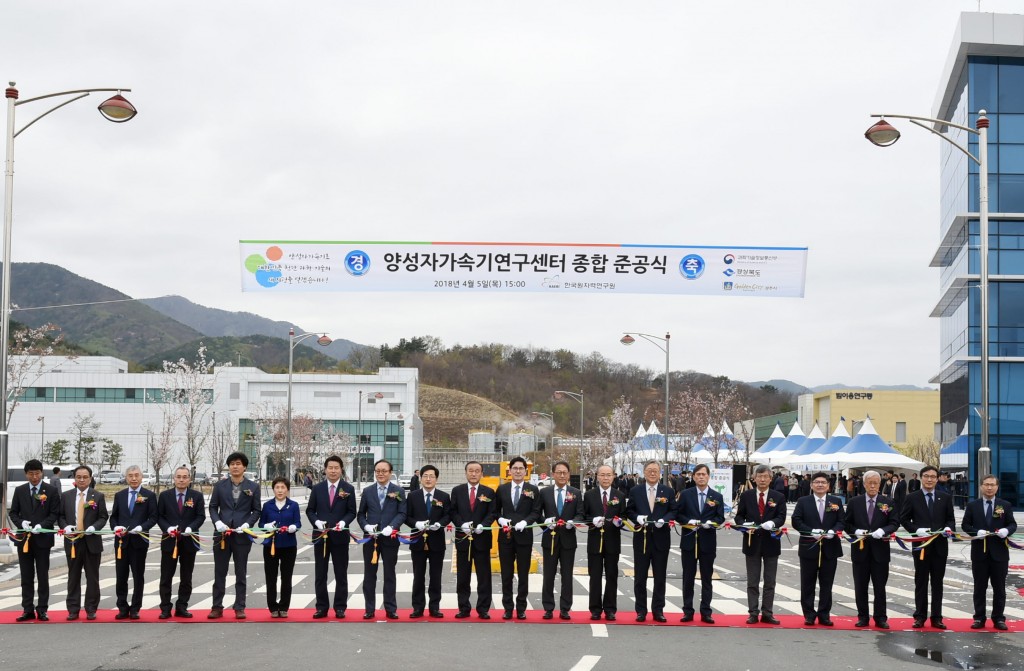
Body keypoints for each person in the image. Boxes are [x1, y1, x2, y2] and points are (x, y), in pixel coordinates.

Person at [900, 464, 956, 629]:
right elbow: (904, 519)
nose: (930, 479)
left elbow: (950, 519)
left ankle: (937, 617)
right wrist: (916, 530)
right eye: (927, 476)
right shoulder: (912, 497)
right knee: (921, 581)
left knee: (937, 582)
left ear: (937, 478)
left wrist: (948, 528)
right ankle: (919, 616)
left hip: (939, 546)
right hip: (921, 545)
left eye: (933, 476)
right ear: (921, 478)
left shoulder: (944, 497)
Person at [208, 452, 261, 619]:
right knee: (219, 572)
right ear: (229, 467)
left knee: (240, 572)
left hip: (241, 536)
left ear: (244, 467)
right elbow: (212, 507)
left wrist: (247, 524)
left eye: (238, 463)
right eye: (232, 464)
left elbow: (257, 510)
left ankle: (240, 606)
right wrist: (218, 522)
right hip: (222, 535)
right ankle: (217, 606)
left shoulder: (253, 487)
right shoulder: (220, 486)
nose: (235, 466)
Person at [961, 474, 1018, 630]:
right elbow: (965, 525)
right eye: (986, 484)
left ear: (997, 487)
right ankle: (979, 618)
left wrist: (1007, 530)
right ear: (981, 486)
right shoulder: (973, 505)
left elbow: (1012, 524)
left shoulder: (1004, 505)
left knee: (999, 588)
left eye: (992, 485)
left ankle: (999, 618)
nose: (989, 487)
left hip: (999, 554)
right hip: (979, 553)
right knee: (979, 587)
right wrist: (975, 532)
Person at [844, 470, 899, 628]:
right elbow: (847, 523)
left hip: (880, 551)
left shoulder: (887, 502)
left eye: (876, 483)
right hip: (860, 551)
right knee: (860, 586)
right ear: (864, 484)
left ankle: (881, 617)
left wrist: (884, 530)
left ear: (880, 484)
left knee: (879, 586)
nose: (873, 486)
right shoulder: (855, 502)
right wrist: (856, 531)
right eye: (870, 483)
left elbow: (894, 522)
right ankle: (863, 616)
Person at [734, 463, 787, 624]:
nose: (762, 479)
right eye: (759, 476)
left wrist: (773, 523)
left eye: (765, 477)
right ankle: (753, 612)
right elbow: (739, 516)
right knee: (753, 581)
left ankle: (767, 612)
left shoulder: (778, 497)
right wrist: (745, 525)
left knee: (770, 581)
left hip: (771, 543)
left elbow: (781, 516)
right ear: (754, 478)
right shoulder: (747, 496)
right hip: (752, 542)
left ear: (771, 479)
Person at [306, 454, 357, 619]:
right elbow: (310, 510)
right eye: (330, 468)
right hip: (321, 536)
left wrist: (343, 523)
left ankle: (340, 607)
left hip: (340, 537)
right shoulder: (317, 488)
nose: (333, 471)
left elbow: (351, 512)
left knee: (341, 573)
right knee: (320, 573)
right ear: (325, 469)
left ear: (341, 470)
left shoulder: (348, 489)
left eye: (336, 468)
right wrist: (316, 522)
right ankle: (321, 607)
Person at [9, 458, 61, 621]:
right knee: (26, 575)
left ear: (42, 473)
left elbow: (54, 514)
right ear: (26, 475)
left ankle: (43, 609)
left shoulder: (50, 491)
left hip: (43, 539)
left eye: (37, 473)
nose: (34, 477)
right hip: (24, 539)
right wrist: (21, 523)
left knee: (43, 575)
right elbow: (13, 513)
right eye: (31, 474)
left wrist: (42, 525)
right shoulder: (20, 490)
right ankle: (27, 609)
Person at [625, 460, 677, 622]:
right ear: (644, 472)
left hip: (661, 539)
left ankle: (658, 609)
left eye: (655, 470)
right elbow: (629, 511)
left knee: (660, 576)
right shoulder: (636, 490)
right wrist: (637, 518)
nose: (652, 473)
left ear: (660, 472)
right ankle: (641, 610)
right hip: (642, 538)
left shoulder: (667, 491)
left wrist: (665, 519)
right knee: (640, 577)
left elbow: (674, 510)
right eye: (649, 470)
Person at [791, 471, 845, 626]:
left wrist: (833, 531)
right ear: (811, 485)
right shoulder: (803, 501)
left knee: (827, 583)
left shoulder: (835, 501)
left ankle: (824, 614)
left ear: (828, 485)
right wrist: (810, 531)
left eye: (823, 482)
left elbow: (842, 520)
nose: (820, 485)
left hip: (830, 547)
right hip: (809, 546)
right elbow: (796, 520)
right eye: (817, 482)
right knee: (807, 583)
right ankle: (809, 614)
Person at [357, 458, 407, 619]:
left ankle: (390, 608)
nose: (381, 474)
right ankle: (369, 609)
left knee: (390, 574)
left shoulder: (398, 491)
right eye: (378, 471)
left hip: (390, 538)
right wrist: (366, 526)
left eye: (384, 471)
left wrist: (392, 527)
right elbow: (360, 514)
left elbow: (402, 513)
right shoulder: (368, 491)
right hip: (371, 539)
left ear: (390, 473)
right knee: (369, 574)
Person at [58, 465, 109, 621]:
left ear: (90, 478)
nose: (81, 480)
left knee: (92, 577)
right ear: (74, 478)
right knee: (73, 577)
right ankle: (73, 609)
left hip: (91, 542)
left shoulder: (98, 496)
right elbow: (60, 516)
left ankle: (91, 608)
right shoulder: (66, 496)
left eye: (85, 477)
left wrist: (94, 527)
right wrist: (65, 526)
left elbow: (103, 517)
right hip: (73, 542)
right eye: (78, 477)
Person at [494, 455, 542, 620]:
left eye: (521, 468)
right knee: (506, 574)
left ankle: (521, 608)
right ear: (510, 470)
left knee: (523, 574)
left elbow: (536, 511)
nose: (518, 471)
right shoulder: (502, 489)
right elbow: (495, 510)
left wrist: (525, 521)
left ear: (526, 471)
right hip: (505, 537)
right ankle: (508, 608)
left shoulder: (532, 489)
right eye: (515, 468)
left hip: (524, 537)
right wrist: (500, 520)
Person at [677, 463, 726, 624]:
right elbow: (678, 514)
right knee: (688, 578)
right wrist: (688, 521)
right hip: (689, 541)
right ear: (693, 477)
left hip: (707, 542)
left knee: (707, 578)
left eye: (703, 474)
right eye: (698, 474)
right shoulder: (685, 494)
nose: (701, 477)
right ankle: (687, 610)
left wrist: (711, 522)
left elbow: (720, 518)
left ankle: (706, 611)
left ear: (708, 476)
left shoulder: (716, 496)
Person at [109, 465, 159, 619]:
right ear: (126, 477)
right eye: (130, 475)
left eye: (137, 475)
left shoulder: (149, 495)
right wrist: (115, 526)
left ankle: (136, 607)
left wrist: (142, 527)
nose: (134, 478)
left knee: (138, 576)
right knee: (121, 576)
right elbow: (114, 517)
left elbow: (153, 517)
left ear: (141, 477)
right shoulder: (120, 495)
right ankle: (122, 607)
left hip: (139, 542)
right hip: (122, 543)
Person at [156, 466, 206, 619]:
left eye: (185, 477)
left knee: (186, 576)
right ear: (174, 478)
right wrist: (167, 528)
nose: (182, 479)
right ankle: (165, 607)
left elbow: (200, 516)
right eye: (179, 477)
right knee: (166, 576)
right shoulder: (164, 496)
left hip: (189, 541)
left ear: (189, 479)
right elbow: (159, 516)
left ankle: (182, 606)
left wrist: (192, 527)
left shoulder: (196, 496)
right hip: (169, 541)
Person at [449, 460, 496, 619]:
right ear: (466, 472)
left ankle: (483, 608)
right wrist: (461, 524)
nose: (474, 473)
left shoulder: (489, 492)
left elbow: (492, 512)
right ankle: (464, 607)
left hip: (482, 539)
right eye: (471, 470)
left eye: (477, 471)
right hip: (463, 538)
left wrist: (483, 525)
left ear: (482, 473)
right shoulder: (457, 491)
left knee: (484, 576)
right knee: (463, 575)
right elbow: (452, 511)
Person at [539, 460, 584, 620]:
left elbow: (580, 513)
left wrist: (574, 522)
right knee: (548, 575)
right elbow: (538, 513)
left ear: (569, 474)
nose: (562, 475)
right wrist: (546, 522)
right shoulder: (544, 492)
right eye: (559, 472)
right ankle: (548, 608)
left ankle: (565, 608)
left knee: (567, 575)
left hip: (568, 540)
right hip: (549, 539)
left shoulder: (576, 492)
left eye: (565, 472)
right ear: (553, 474)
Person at [405, 464, 451, 618]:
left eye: (432, 476)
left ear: (436, 479)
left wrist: (440, 524)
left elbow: (447, 515)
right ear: (421, 478)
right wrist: (415, 524)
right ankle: (418, 607)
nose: (428, 479)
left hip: (437, 541)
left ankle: (434, 606)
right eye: (425, 476)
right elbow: (407, 516)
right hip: (417, 540)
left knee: (436, 575)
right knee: (418, 575)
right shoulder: (413, 496)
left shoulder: (444, 497)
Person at [582, 464, 625, 621]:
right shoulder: (589, 495)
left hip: (613, 541)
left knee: (612, 576)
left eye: (609, 475)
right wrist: (592, 521)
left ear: (613, 476)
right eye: (602, 475)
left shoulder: (619, 495)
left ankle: (610, 609)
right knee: (594, 576)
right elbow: (583, 516)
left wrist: (619, 522)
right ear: (597, 477)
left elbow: (624, 516)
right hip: (594, 541)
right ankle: (595, 609)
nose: (606, 478)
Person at [260, 476, 302, 618]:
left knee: (286, 577)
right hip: (271, 546)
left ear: (287, 489)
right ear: (273, 489)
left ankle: (284, 606)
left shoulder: (293, 505)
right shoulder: (267, 506)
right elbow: (261, 524)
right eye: (277, 487)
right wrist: (266, 526)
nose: (280, 490)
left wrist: (293, 527)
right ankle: (272, 606)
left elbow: (298, 523)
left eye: (283, 487)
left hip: (289, 546)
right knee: (271, 577)